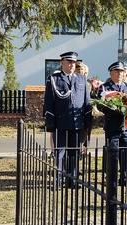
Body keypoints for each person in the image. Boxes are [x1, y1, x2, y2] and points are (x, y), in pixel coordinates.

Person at [44, 51, 92, 189]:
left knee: (74, 153)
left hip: (77, 123)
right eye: (69, 62)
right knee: (60, 153)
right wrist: (51, 122)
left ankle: (73, 180)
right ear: (62, 62)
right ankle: (58, 182)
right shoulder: (54, 79)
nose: (72, 65)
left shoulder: (81, 79)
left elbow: (86, 101)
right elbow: (49, 102)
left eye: (74, 62)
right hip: (61, 122)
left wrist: (88, 119)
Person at [97, 61, 127, 186]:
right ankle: (111, 178)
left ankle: (124, 178)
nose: (119, 74)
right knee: (112, 154)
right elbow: (100, 105)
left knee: (126, 154)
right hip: (112, 126)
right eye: (116, 71)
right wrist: (113, 109)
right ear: (111, 73)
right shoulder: (105, 87)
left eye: (121, 71)